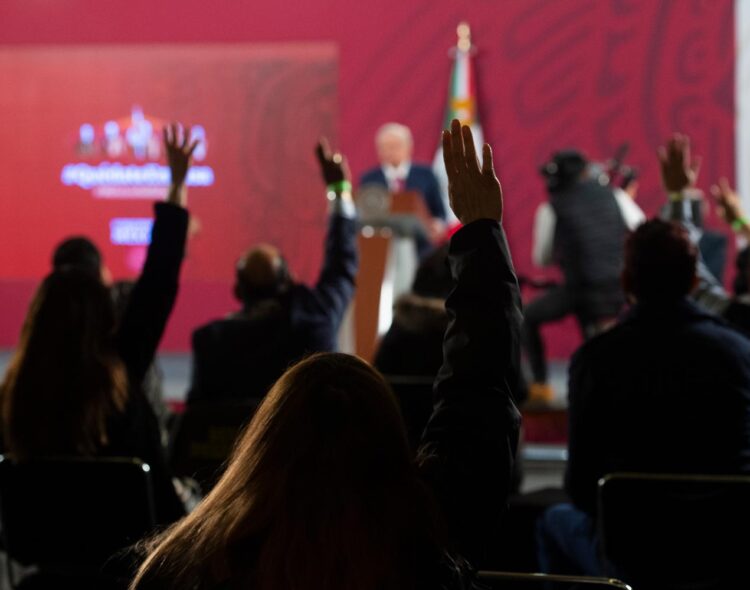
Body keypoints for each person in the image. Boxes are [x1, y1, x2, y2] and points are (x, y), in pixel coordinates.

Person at [129, 120, 521, 590]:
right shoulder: (426, 538)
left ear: (267, 431)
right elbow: (478, 394)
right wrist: (480, 233)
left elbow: (152, 299)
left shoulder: (190, 564)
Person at [0, 123, 196, 526]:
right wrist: (176, 184)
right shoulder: (121, 376)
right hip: (127, 569)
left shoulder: (15, 398)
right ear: (105, 313)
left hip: (42, 565)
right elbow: (159, 280)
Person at [537, 217, 750, 576]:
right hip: (726, 547)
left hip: (631, 552)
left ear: (626, 281)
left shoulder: (595, 359)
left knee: (553, 522)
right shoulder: (739, 353)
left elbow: (580, 488)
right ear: (695, 281)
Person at [185, 139, 358, 405]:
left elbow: (201, 418)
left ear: (238, 290)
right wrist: (338, 189)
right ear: (289, 280)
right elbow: (341, 263)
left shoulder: (211, 342)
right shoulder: (315, 320)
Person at [523, 149, 645, 403]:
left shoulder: (552, 208)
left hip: (579, 291)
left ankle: (540, 384)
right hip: (618, 291)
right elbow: (643, 229)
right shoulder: (615, 195)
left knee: (527, 318)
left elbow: (541, 259)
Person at [360, 122, 447, 253]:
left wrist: (438, 226)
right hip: (382, 252)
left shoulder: (426, 175)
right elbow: (363, 216)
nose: (390, 151)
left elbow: (439, 213)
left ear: (408, 147)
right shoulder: (369, 180)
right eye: (385, 147)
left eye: (395, 146)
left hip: (421, 250)